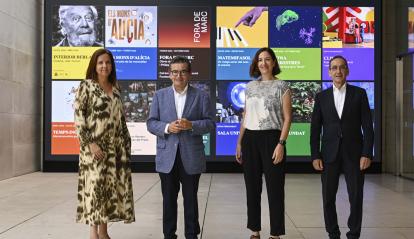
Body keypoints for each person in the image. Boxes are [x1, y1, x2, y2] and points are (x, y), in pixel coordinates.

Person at [146, 56, 215, 239]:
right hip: (167, 156)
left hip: (191, 156)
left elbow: (210, 124)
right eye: (175, 72)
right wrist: (168, 127)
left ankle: (191, 235)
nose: (179, 75)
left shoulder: (201, 96)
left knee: (190, 199)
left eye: (183, 71)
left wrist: (191, 125)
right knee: (168, 200)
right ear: (169, 75)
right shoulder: (159, 96)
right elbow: (151, 123)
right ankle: (169, 235)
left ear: (189, 74)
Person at [310, 55, 374, 239]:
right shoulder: (321, 97)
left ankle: (354, 233)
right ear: (329, 72)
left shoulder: (359, 94)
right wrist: (315, 155)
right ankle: (333, 233)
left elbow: (368, 127)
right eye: (334, 68)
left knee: (356, 197)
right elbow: (315, 129)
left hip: (355, 154)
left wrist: (367, 153)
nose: (338, 71)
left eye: (342, 67)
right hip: (328, 155)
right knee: (328, 198)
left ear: (347, 71)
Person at [74, 49, 135, 239]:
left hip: (115, 150)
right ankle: (94, 234)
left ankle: (104, 232)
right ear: (94, 65)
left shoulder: (115, 88)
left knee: (109, 190)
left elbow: (121, 120)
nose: (104, 66)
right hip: (93, 150)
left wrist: (126, 145)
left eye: (108, 63)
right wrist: (90, 144)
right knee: (95, 190)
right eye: (100, 62)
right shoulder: (86, 86)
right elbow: (79, 118)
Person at [235, 47, 292, 239]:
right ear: (256, 64)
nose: (263, 63)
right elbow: (246, 116)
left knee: (275, 188)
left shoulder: (282, 86)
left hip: (272, 139)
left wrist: (281, 143)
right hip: (250, 139)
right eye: (260, 60)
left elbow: (287, 118)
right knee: (252, 187)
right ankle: (255, 230)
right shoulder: (250, 86)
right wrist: (239, 142)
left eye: (267, 59)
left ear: (274, 62)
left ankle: (275, 233)